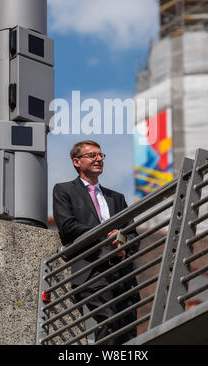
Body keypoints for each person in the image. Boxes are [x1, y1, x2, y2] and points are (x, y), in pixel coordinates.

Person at [53, 140, 140, 345]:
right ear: (76, 161)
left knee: (127, 332)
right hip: (91, 271)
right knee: (108, 321)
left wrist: (123, 246)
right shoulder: (64, 190)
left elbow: (133, 234)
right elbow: (68, 228)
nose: (99, 159)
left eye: (101, 155)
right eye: (92, 155)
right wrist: (105, 238)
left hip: (121, 273)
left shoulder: (116, 197)